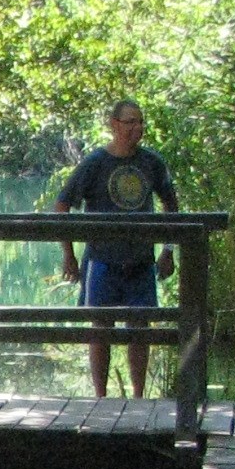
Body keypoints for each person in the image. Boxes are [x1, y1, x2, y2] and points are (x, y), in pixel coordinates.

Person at [54, 98, 180, 397]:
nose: (137, 128)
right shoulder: (96, 163)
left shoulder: (151, 162)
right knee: (100, 329)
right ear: (114, 124)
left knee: (140, 329)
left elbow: (171, 206)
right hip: (102, 259)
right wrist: (68, 254)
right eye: (130, 122)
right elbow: (62, 206)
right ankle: (100, 397)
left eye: (141, 122)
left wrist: (168, 250)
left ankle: (138, 397)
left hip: (141, 260)